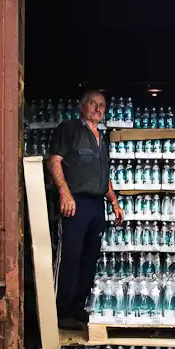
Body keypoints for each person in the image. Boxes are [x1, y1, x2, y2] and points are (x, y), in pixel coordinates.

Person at [47, 90, 125, 331]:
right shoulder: (69, 129)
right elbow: (54, 161)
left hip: (96, 205)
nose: (98, 109)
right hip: (75, 203)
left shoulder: (101, 137)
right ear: (81, 106)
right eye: (92, 103)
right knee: (70, 257)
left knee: (89, 258)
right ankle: (61, 311)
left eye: (102, 105)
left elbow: (103, 174)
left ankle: (76, 307)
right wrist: (65, 193)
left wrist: (114, 202)